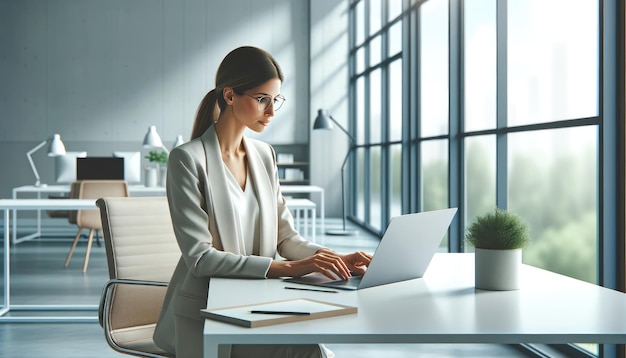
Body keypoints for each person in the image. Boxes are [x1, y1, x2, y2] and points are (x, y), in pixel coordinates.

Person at [153, 46, 372, 358]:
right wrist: (289, 268)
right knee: (311, 352)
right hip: (209, 313)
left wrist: (332, 257)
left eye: (275, 100)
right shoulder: (187, 159)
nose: (271, 111)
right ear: (229, 96)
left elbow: (287, 237)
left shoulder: (264, 155)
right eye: (261, 99)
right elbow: (201, 259)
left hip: (260, 303)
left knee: (316, 348)